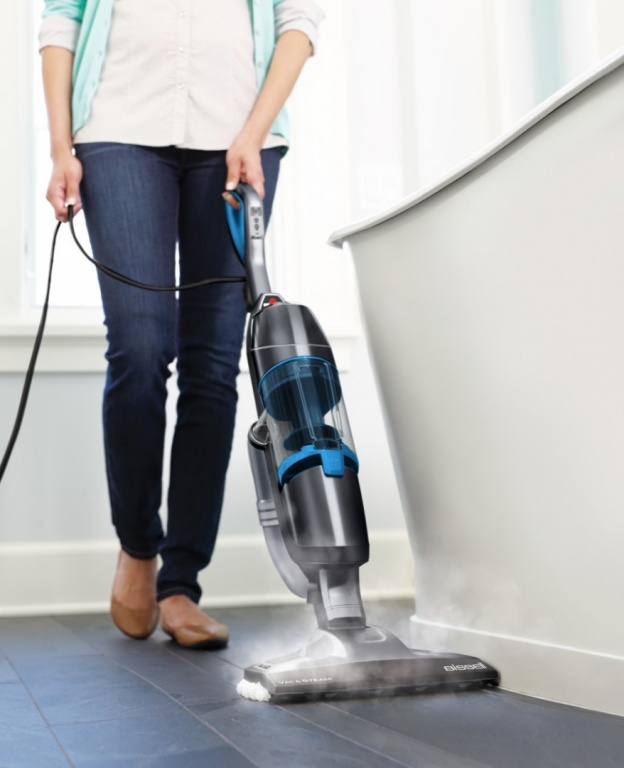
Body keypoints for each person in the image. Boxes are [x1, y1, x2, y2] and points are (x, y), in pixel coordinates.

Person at [39, 0, 324, 648]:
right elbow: (61, 19)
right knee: (139, 347)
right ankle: (138, 545)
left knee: (212, 363)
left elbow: (299, 20)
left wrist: (255, 132)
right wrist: (60, 146)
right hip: (117, 127)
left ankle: (181, 582)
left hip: (239, 134)